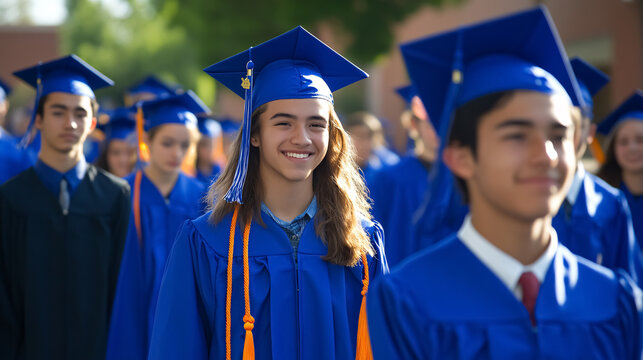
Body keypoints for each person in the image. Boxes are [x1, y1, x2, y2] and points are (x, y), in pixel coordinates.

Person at [367, 7, 643, 359]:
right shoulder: (406, 301)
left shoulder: (615, 302)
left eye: (559, 137)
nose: (547, 155)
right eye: (516, 135)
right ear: (459, 156)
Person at [148, 26, 388, 360]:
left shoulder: (362, 242)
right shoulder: (207, 242)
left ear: (331, 137)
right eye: (283, 123)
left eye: (316, 124)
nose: (302, 138)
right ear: (255, 135)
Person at [0, 54, 131, 359]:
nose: (70, 123)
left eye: (80, 113)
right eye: (58, 112)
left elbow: (123, 291)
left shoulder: (115, 196)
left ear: (93, 123)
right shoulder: (10, 199)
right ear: (39, 119)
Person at [106, 91, 207, 360]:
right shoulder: (120, 193)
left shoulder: (202, 197)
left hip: (184, 315)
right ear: (147, 140)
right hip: (130, 316)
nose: (177, 153)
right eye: (168, 143)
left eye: (185, 145)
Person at [552, 58, 642, 281]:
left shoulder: (611, 204)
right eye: (559, 126)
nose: (569, 135)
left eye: (577, 125)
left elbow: (631, 289)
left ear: (590, 131)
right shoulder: (522, 199)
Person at [367, 85, 441, 267]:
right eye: (431, 122)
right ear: (414, 125)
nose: (439, 130)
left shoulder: (464, 178)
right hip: (400, 283)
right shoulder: (389, 179)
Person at [597, 90, 643, 248]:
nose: (632, 148)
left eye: (640, 140)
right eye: (623, 142)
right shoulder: (599, 197)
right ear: (613, 149)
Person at [344, 111, 389, 186]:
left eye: (370, 137)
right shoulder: (337, 172)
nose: (365, 143)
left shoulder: (387, 166)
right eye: (359, 136)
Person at [94, 106, 137, 178]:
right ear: (106, 155)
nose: (123, 160)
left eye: (129, 152)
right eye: (116, 153)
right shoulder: (93, 185)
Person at [195, 114, 225, 187]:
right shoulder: (191, 171)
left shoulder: (221, 169)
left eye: (212, 145)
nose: (208, 149)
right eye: (203, 144)